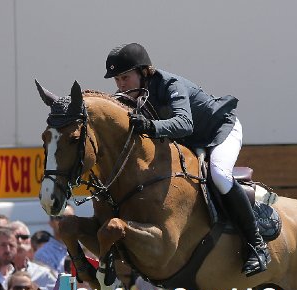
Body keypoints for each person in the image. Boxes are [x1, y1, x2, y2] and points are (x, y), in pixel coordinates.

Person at [104, 42, 269, 276]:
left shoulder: (170, 85)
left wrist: (150, 126)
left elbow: (184, 123)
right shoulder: (131, 96)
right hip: (190, 142)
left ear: (143, 72)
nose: (121, 84)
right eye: (117, 79)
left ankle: (257, 245)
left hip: (219, 131)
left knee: (219, 176)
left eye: (125, 77)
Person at [10, 220, 58, 290]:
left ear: (30, 241)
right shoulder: (0, 272)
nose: (19, 241)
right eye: (15, 238)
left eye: (24, 237)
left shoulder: (44, 273)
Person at [33, 206, 74, 274]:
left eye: (70, 218)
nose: (66, 221)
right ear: (51, 223)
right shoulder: (42, 254)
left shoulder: (85, 250)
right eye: (60, 217)